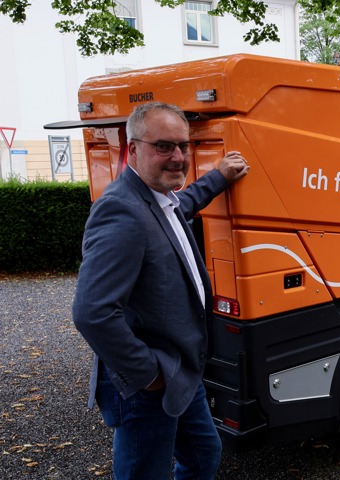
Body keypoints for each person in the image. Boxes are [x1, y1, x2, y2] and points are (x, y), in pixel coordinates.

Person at [72, 102, 250, 479]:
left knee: (203, 455)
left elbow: (180, 206)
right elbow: (92, 312)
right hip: (151, 382)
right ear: (133, 149)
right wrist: (149, 374)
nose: (178, 157)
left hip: (180, 372)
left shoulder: (157, 199)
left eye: (183, 146)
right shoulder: (121, 211)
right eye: (164, 146)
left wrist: (217, 177)